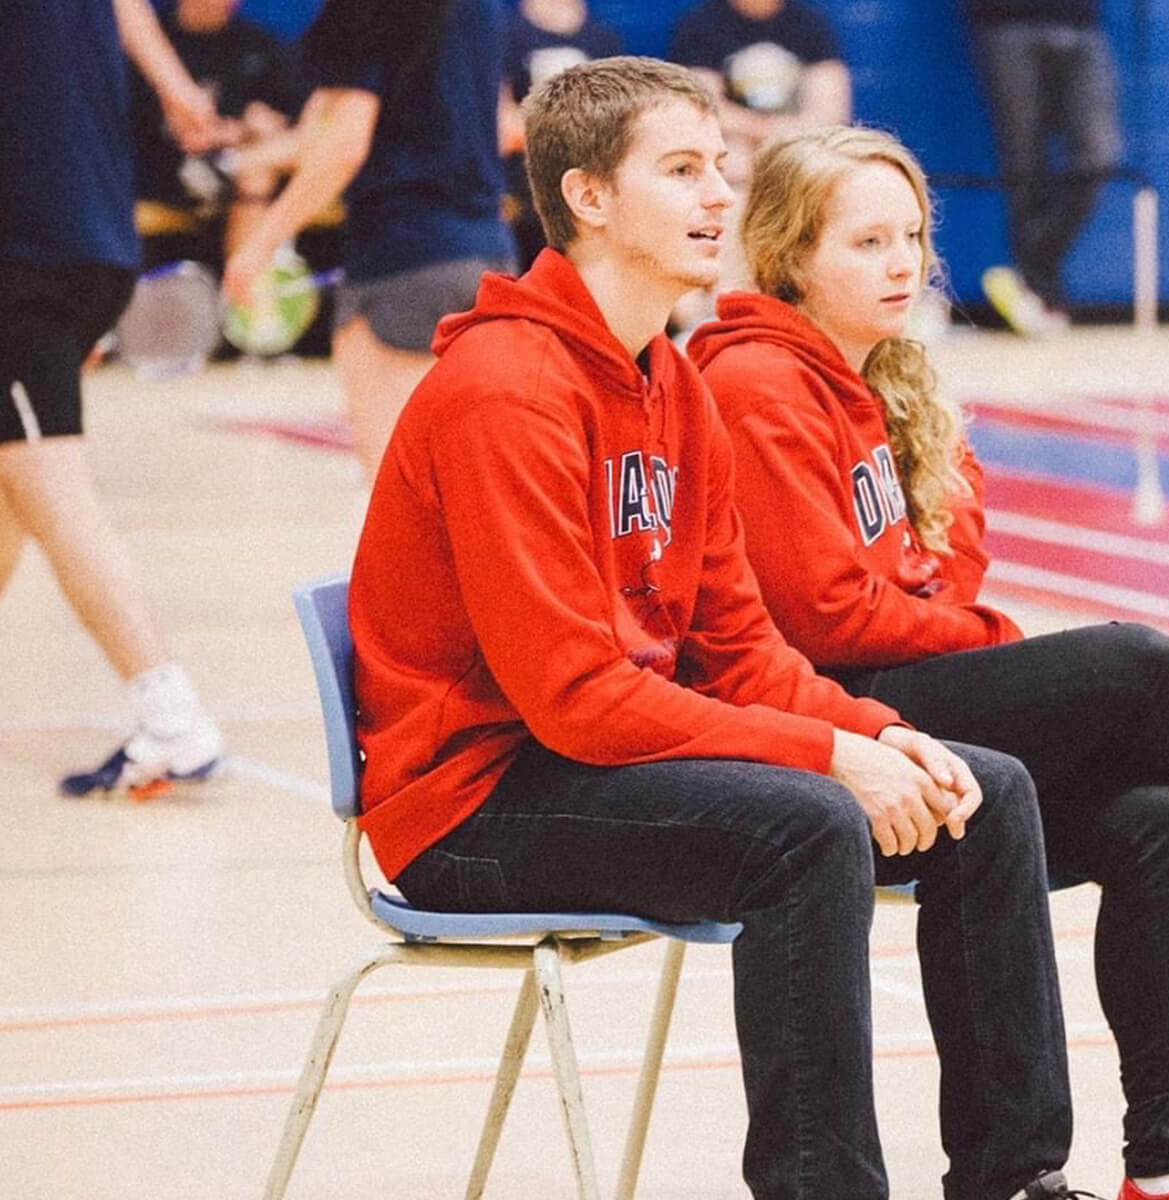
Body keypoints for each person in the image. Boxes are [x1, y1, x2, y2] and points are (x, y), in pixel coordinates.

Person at [347, 55, 1093, 1200]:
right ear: (590, 198)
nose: (717, 199)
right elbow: (577, 697)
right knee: (803, 826)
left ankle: (1015, 1179)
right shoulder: (507, 389)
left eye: (720, 170)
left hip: (587, 761)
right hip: (474, 802)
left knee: (979, 796)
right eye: (683, 171)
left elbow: (740, 647)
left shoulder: (669, 381)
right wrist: (827, 755)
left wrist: (876, 731)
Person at [688, 124, 1169, 1200]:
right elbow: (825, 616)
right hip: (828, 722)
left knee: (1156, 821)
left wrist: (937, 571)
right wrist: (985, 640)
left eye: (911, 236)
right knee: (1135, 665)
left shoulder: (884, 380)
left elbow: (941, 564)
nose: (902, 262)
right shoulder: (758, 381)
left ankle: (1167, 1164)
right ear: (790, 252)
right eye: (865, 242)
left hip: (892, 690)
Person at [2, 0, 225, 797]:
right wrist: (177, 90)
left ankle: (172, 716)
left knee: (53, 490)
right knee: (13, 487)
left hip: (23, 248)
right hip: (91, 236)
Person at [222, 0, 517, 483]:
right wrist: (254, 158)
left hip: (403, 259)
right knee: (471, 484)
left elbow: (343, 146)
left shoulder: (363, 9)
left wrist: (260, 244)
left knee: (398, 492)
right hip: (488, 257)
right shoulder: (482, 9)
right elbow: (497, 126)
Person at [666, 0, 850, 330]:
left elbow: (831, 110)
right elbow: (703, 109)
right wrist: (770, 137)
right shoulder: (701, 25)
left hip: (793, 163)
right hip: (734, 167)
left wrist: (774, 144)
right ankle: (720, 316)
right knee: (729, 164)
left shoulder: (809, 24)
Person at [964, 0, 1122, 337]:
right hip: (1005, 22)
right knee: (1023, 165)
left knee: (1099, 158)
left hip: (1081, 21)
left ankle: (1030, 273)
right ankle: (1038, 293)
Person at [128, 0, 305, 273]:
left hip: (240, 177)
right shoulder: (149, 46)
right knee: (252, 170)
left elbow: (295, 126)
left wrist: (254, 130)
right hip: (166, 177)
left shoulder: (259, 46)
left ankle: (248, 294)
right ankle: (247, 292)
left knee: (258, 167)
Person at [500, 0, 624, 269]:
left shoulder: (602, 38)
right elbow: (504, 126)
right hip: (527, 183)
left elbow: (618, 122)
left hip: (591, 176)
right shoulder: (506, 33)